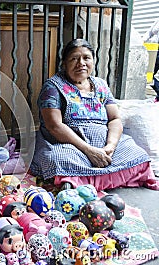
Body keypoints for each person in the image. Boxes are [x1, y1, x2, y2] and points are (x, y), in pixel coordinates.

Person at [30, 39, 159, 191]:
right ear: (64, 63)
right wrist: (89, 151)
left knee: (138, 155)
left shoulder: (101, 85)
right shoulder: (52, 87)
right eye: (74, 58)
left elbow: (115, 119)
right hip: (70, 145)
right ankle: (92, 179)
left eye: (86, 58)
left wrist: (110, 147)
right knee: (57, 160)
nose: (81, 63)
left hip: (104, 143)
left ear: (93, 61)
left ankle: (78, 182)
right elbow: (54, 126)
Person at [143, 19, 159, 102]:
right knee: (149, 74)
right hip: (154, 49)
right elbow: (149, 32)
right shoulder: (157, 21)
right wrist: (142, 42)